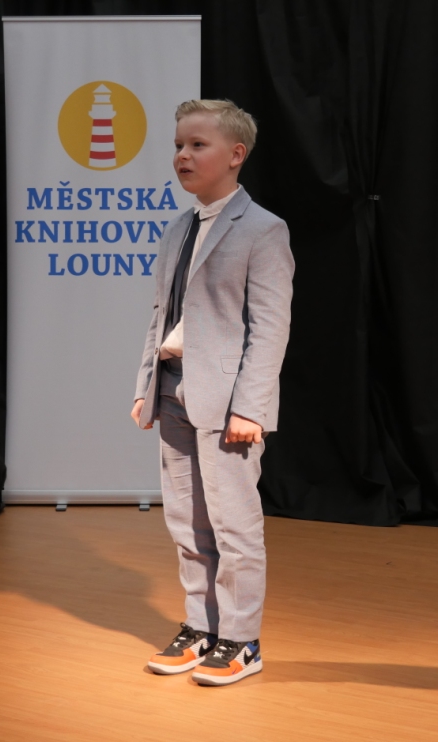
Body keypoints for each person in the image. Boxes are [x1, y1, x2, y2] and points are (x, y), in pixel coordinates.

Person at [130, 99, 294, 686]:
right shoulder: (178, 227)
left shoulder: (264, 229)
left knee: (233, 525)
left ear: (235, 154)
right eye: (179, 144)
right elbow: (163, 315)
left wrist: (250, 407)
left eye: (197, 145)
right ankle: (201, 628)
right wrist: (145, 385)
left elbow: (270, 328)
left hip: (227, 404)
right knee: (186, 522)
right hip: (173, 390)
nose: (182, 155)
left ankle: (241, 640)